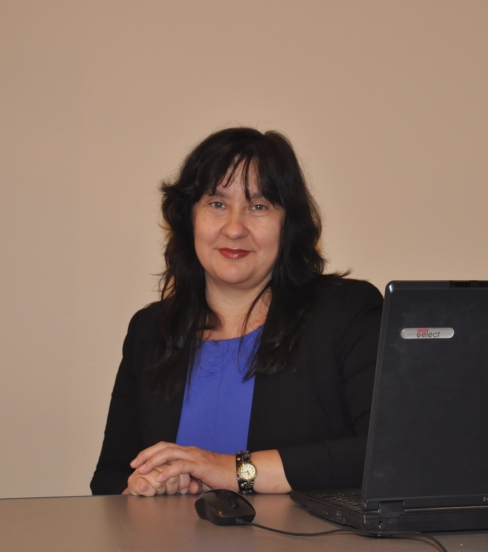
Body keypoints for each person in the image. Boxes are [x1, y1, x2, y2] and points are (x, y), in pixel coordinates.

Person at [90, 127, 383, 497]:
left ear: (288, 224)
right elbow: (110, 478)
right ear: (189, 219)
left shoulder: (346, 313)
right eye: (217, 204)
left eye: (259, 207)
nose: (234, 228)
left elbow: (384, 453)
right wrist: (140, 487)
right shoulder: (150, 331)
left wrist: (234, 470)